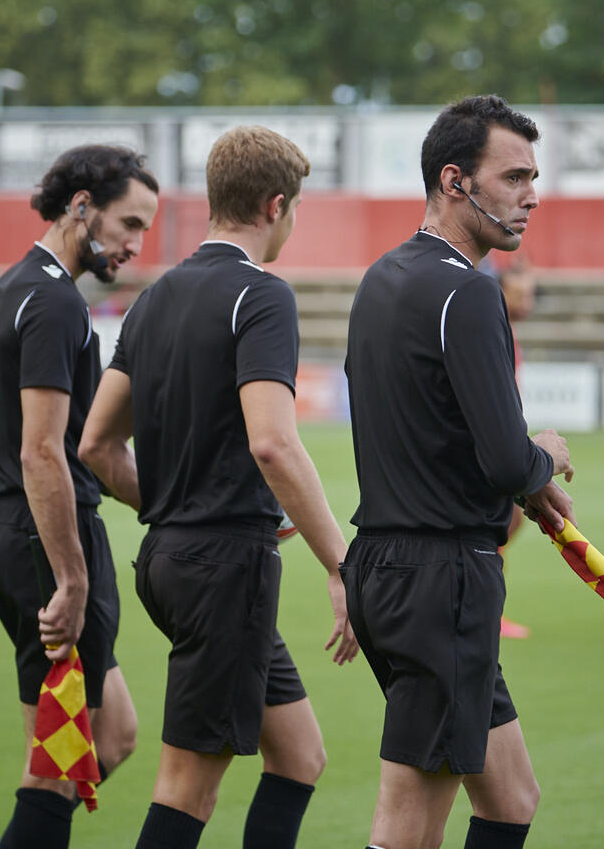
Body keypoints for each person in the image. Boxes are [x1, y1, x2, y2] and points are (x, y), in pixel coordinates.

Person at [78, 126, 359, 849]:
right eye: (296, 208)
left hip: (168, 562)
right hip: (223, 570)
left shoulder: (155, 298)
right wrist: (341, 565)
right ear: (275, 205)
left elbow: (96, 444)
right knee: (187, 789)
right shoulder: (263, 296)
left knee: (299, 756)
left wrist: (174, 503)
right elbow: (273, 442)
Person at [342, 94, 575, 849]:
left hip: (383, 566)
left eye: (533, 178)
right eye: (514, 177)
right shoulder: (469, 290)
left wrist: (525, 479)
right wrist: (546, 456)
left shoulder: (382, 277)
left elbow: (437, 432)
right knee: (408, 826)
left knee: (510, 799)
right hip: (440, 576)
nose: (531, 196)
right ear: (455, 180)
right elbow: (507, 459)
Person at [0, 145, 160, 848]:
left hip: (23, 531)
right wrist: (72, 578)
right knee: (54, 768)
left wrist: (176, 508)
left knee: (113, 736)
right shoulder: (53, 302)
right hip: (45, 541)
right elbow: (43, 451)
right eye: (129, 224)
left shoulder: (22, 286)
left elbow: (84, 449)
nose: (136, 246)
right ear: (81, 207)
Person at [498, 260, 539, 640]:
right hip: (491, 446)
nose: (528, 302)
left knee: (509, 522)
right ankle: (486, 608)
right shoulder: (497, 332)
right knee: (503, 521)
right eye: (520, 294)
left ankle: (486, 607)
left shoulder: (507, 332)